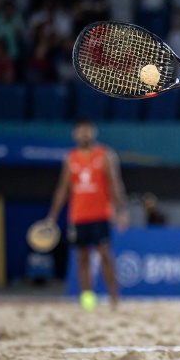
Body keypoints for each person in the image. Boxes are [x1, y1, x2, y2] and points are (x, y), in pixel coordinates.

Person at [44, 120, 129, 310]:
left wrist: (121, 210)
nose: (84, 134)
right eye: (80, 132)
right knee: (82, 258)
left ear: (93, 133)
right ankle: (87, 300)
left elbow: (115, 184)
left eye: (87, 131)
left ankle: (114, 298)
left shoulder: (105, 155)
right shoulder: (70, 158)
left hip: (100, 215)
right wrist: (52, 215)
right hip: (78, 216)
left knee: (105, 255)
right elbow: (63, 189)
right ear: (75, 135)